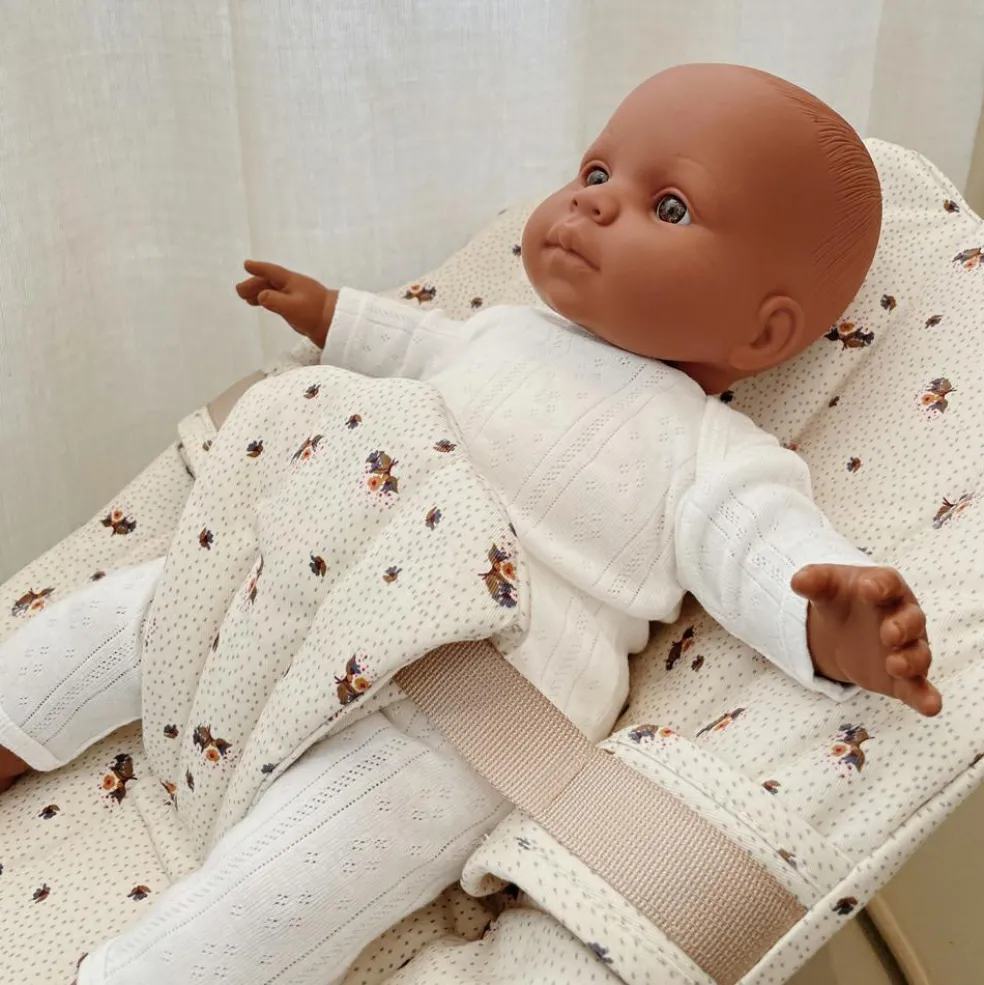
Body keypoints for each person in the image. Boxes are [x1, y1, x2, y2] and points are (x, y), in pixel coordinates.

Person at [0, 64, 940, 985]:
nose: (594, 201)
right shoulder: (509, 331)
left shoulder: (708, 450)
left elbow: (762, 547)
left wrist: (835, 620)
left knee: (318, 859)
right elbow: (420, 346)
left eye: (668, 207)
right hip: (309, 581)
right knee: (139, 611)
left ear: (764, 333)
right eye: (596, 171)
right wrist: (332, 314)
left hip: (469, 697)